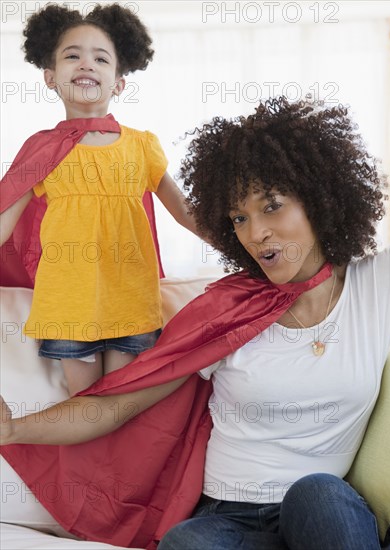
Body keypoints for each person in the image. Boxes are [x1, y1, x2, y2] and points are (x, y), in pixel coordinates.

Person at [1, 97, 390, 550]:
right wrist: (14, 429)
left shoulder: (378, 284)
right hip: (226, 518)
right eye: (239, 218)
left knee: (318, 493)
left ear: (319, 198)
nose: (255, 233)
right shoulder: (226, 310)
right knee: (185, 544)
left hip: (319, 515)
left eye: (271, 206)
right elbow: (117, 404)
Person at [0, 3, 202, 396]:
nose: (85, 64)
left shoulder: (142, 146)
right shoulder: (40, 149)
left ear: (119, 82)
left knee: (120, 408)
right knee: (87, 407)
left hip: (130, 303)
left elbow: (186, 213)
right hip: (68, 309)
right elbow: (5, 218)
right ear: (50, 77)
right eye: (72, 56)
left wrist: (243, 241)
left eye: (100, 58)